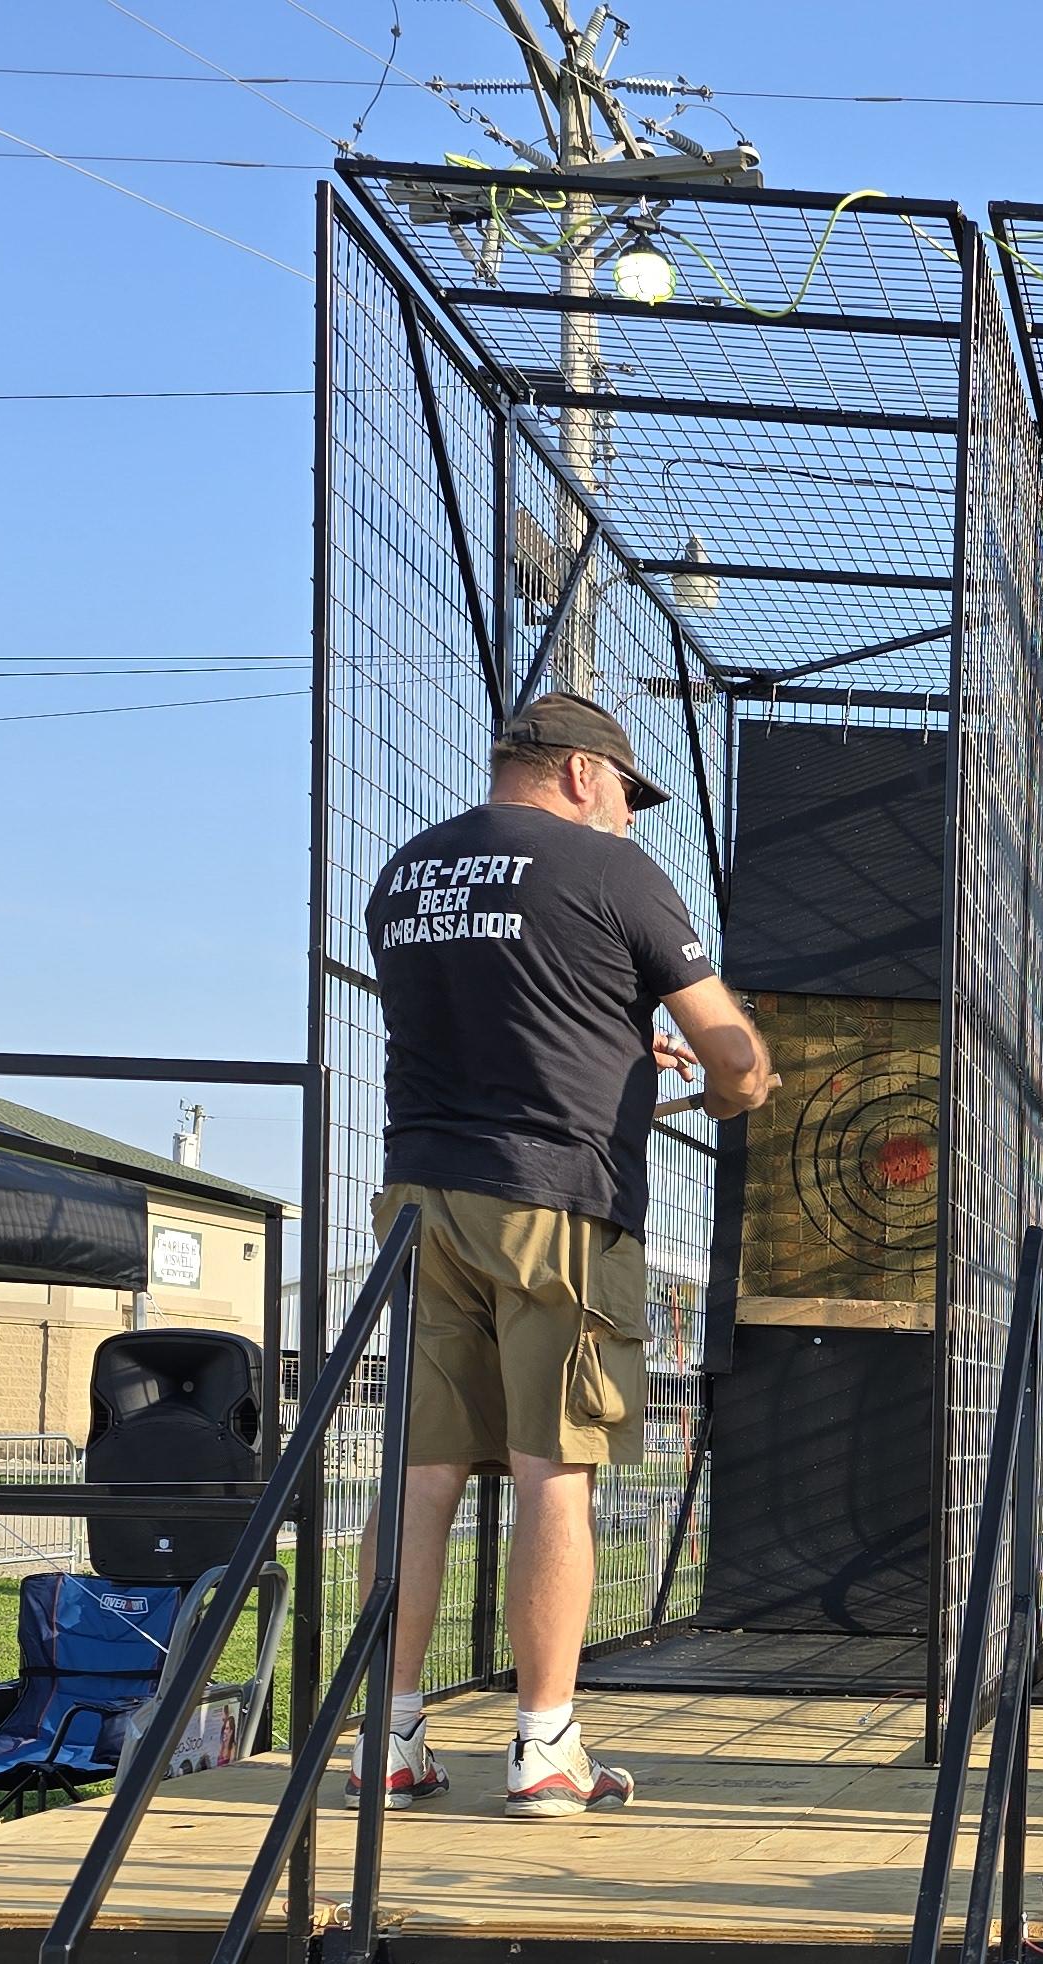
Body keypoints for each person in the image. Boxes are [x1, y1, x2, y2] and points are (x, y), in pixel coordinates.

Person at [358, 691, 772, 1817]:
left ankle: (387, 1739)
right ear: (583, 773)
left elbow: (507, 1011)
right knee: (556, 1467)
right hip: (557, 1206)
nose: (629, 817)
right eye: (628, 796)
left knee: (420, 1473)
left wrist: (620, 1041)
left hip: (418, 1196)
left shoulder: (405, 874)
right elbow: (734, 1055)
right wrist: (731, 1089)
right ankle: (544, 1747)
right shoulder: (610, 868)